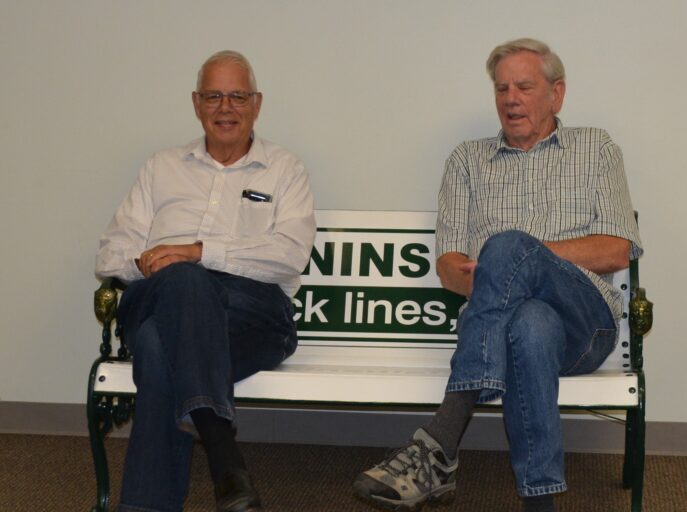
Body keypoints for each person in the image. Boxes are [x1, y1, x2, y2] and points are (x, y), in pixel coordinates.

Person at [353, 38, 642, 512]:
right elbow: (448, 266)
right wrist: (503, 277)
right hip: (513, 334)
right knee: (529, 322)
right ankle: (540, 504)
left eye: (525, 86)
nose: (511, 98)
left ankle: (441, 440)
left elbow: (617, 248)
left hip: (585, 325)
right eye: (502, 87)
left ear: (557, 93)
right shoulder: (466, 160)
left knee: (507, 246)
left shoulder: (596, 148)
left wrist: (518, 259)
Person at [96, 50, 315, 512]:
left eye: (237, 95)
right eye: (214, 95)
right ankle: (224, 456)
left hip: (254, 317)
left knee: (159, 348)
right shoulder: (161, 166)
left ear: (257, 103)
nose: (225, 107)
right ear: (196, 103)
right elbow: (110, 254)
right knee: (183, 284)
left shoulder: (285, 169)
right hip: (157, 292)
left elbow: (290, 256)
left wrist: (198, 253)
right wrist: (153, 263)